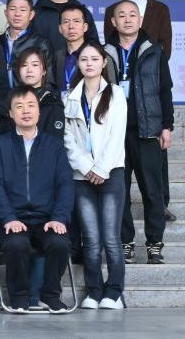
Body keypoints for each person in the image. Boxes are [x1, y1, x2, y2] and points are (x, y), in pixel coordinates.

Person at [0, 87, 75, 313]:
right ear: (11, 113)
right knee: (16, 243)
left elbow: (65, 184)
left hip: (46, 219)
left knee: (60, 242)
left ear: (39, 111)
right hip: (13, 219)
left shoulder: (54, 146)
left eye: (31, 105)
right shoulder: (0, 145)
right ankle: (19, 297)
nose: (25, 111)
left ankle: (50, 295)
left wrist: (59, 218)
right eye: (19, 106)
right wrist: (8, 218)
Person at [103, 0, 175, 222]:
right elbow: (110, 50)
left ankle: (161, 204)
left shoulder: (160, 9)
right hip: (121, 102)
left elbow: (166, 44)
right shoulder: (113, 10)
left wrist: (149, 68)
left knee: (156, 161)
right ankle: (125, 233)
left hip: (150, 85)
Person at [107, 0, 174, 265]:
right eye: (121, 16)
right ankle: (126, 244)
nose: (127, 19)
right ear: (113, 22)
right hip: (114, 135)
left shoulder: (154, 51)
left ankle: (155, 244)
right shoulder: (104, 53)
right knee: (119, 192)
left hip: (147, 132)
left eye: (132, 15)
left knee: (153, 192)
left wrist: (167, 125)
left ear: (140, 20)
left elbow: (165, 91)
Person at [63, 41, 128, 309]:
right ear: (78, 64)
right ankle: (94, 291)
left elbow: (117, 135)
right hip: (82, 176)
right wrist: (87, 168)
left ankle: (114, 293)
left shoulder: (116, 94)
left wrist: (101, 169)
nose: (89, 63)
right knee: (90, 240)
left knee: (111, 239)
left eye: (94, 59)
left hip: (111, 173)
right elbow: (68, 139)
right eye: (84, 59)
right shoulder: (70, 96)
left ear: (104, 63)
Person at [52, 3, 114, 93]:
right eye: (66, 22)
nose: (71, 26)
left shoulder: (101, 56)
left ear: (85, 27)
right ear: (60, 29)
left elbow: (111, 90)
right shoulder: (56, 57)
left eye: (76, 21)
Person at [0, 0, 52, 88]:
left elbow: (49, 80)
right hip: (0, 96)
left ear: (31, 15)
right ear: (6, 13)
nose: (17, 14)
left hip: (29, 96)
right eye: (12, 9)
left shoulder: (41, 43)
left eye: (23, 10)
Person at [12, 47, 66, 140]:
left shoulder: (52, 103)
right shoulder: (9, 101)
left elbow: (54, 142)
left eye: (35, 65)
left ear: (44, 71)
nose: (29, 70)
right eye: (24, 65)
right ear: (18, 71)